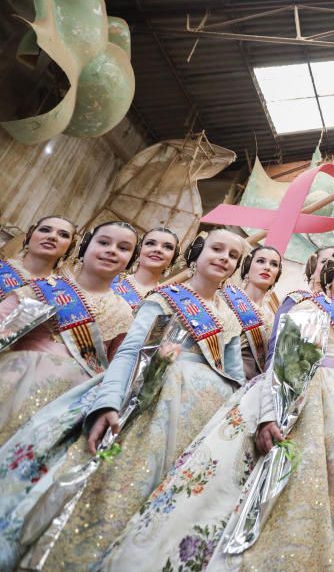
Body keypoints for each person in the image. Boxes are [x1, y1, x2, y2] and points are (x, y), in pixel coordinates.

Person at [100, 247, 334, 571]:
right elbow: (285, 364)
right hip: (310, 400)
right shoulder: (310, 307)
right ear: (331, 274)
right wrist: (270, 415)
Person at [17, 228, 246, 570]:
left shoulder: (230, 318)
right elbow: (130, 351)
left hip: (204, 423)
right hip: (155, 406)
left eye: (233, 256)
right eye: (216, 249)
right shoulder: (166, 298)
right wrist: (108, 402)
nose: (223, 258)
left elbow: (237, 378)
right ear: (195, 254)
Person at [0, 221, 136, 446]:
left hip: (66, 407)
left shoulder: (124, 313)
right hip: (15, 383)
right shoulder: (44, 288)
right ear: (84, 248)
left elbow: (115, 368)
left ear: (130, 260)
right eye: (103, 242)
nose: (111, 250)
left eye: (123, 248)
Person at [264, 245, 334, 366]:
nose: (330, 268)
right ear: (312, 268)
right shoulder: (298, 300)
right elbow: (278, 349)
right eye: (325, 262)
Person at [223, 244, 281, 380]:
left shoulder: (273, 318)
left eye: (274, 264)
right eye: (261, 261)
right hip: (223, 376)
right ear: (248, 266)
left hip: (251, 387)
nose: (267, 267)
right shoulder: (225, 298)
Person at [0, 215, 76, 298]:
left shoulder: (61, 295)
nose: (52, 237)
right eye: (45, 230)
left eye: (64, 235)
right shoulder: (2, 268)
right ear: (29, 236)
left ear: (70, 248)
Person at [110, 227, 180, 310]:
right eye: (150, 243)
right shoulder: (111, 281)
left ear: (173, 258)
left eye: (168, 247)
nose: (158, 249)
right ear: (139, 250)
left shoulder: (167, 301)